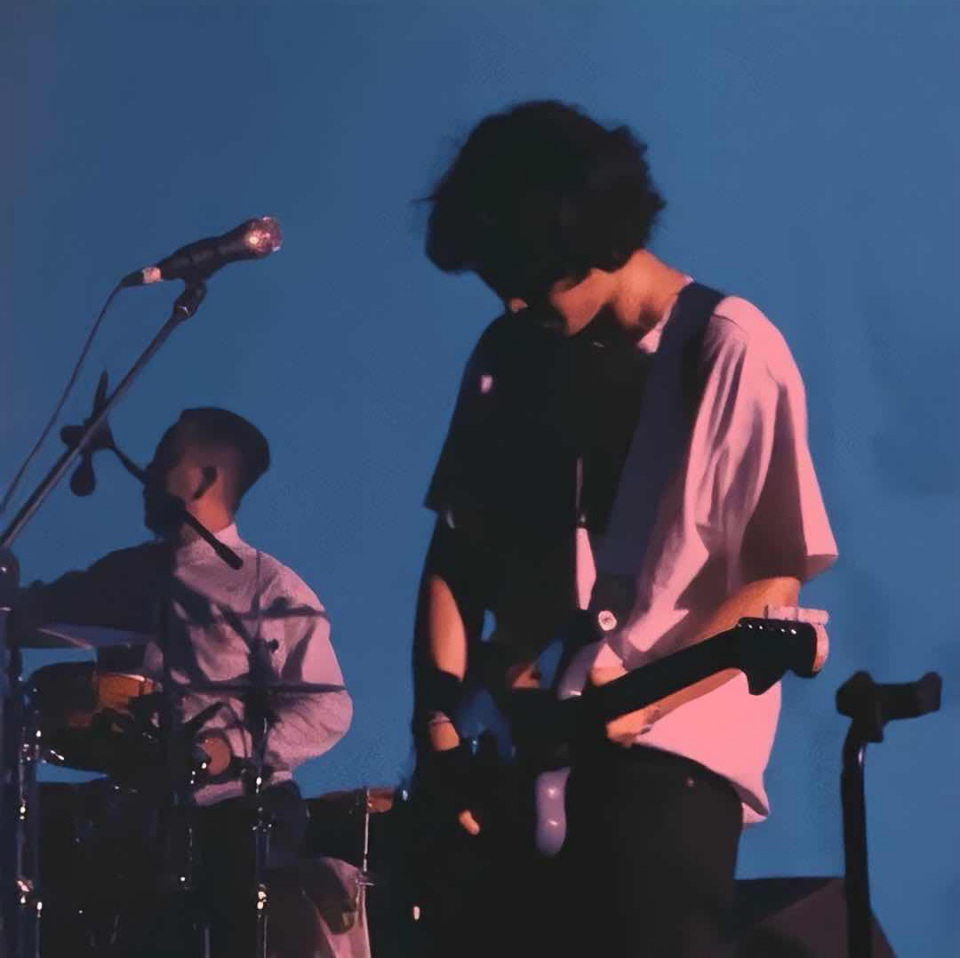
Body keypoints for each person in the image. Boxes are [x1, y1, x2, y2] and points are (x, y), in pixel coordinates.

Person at [410, 100, 838, 957]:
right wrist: (438, 726)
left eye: (528, 274)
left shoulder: (729, 348)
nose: (514, 298)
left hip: (666, 770)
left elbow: (772, 579)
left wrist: (649, 698)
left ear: (593, 238)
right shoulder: (506, 355)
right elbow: (454, 555)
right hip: (504, 758)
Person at [11, 407, 352, 957]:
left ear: (205, 479)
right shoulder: (127, 575)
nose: (147, 473)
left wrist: (227, 747)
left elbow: (327, 710)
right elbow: (30, 614)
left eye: (164, 458)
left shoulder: (269, 587)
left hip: (237, 813)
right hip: (140, 817)